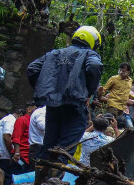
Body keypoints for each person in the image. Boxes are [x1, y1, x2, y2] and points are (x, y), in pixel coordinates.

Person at [27, 25, 103, 163]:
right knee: (66, 147)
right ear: (94, 42)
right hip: (74, 104)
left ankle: (41, 177)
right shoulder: (89, 54)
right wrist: (89, 92)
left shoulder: (54, 54)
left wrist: (44, 90)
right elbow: (94, 67)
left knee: (49, 144)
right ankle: (54, 179)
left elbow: (33, 68)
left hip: (52, 105)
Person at [0, 108, 22, 184]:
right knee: (5, 178)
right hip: (3, 154)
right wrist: (11, 152)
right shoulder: (11, 120)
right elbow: (7, 136)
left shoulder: (4, 119)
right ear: (20, 115)